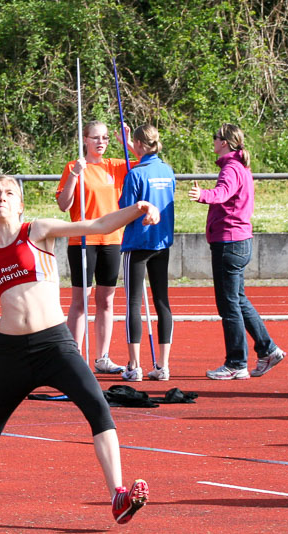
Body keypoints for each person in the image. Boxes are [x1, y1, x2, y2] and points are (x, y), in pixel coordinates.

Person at [0, 175, 156, 523]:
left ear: (20, 205)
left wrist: (137, 209)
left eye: (9, 193)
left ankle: (118, 496)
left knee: (98, 409)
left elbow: (96, 224)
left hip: (55, 345)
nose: (2, 198)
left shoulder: (37, 232)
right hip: (10, 354)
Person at [188, 123, 285, 380]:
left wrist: (203, 195)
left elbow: (223, 193)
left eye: (215, 137)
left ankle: (235, 362)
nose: (213, 141)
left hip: (229, 242)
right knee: (238, 299)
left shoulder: (231, 169)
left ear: (225, 142)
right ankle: (267, 349)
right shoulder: (240, 167)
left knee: (228, 303)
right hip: (238, 241)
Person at [56, 121, 136, 375]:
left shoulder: (116, 166)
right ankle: (73, 356)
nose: (101, 142)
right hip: (83, 239)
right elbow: (63, 205)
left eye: (105, 138)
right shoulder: (73, 166)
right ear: (86, 140)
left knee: (107, 301)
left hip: (112, 239)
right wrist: (74, 175)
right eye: (95, 138)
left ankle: (103, 357)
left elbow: (145, 163)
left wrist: (128, 143)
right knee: (80, 300)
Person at [117, 124, 176, 382]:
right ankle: (162, 366)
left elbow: (125, 209)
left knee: (133, 302)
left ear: (139, 145)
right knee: (162, 301)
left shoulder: (135, 174)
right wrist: (127, 142)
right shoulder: (167, 170)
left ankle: (134, 365)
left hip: (138, 243)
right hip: (162, 243)